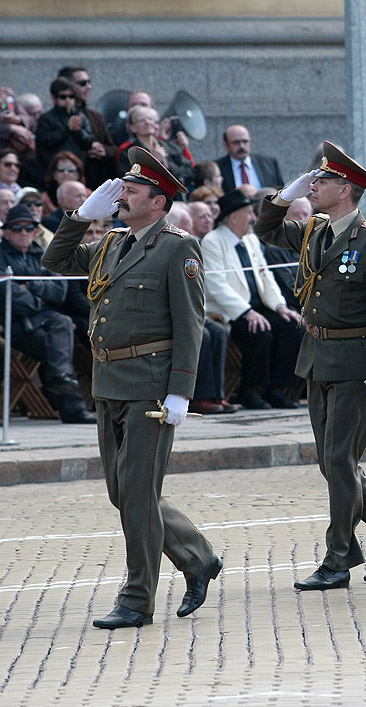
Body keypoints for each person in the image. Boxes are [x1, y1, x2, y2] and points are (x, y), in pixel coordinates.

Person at [42, 146, 222, 629]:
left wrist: (181, 389)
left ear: (158, 202)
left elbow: (191, 322)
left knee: (139, 493)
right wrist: (80, 216)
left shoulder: (177, 246)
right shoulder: (113, 243)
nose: (122, 195)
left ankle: (137, 597)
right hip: (109, 383)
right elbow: (54, 259)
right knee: (124, 492)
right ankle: (198, 557)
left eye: (133, 190)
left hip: (151, 385)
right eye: (122, 188)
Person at [254, 141, 366, 590]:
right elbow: (267, 228)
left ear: (346, 189)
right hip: (317, 357)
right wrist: (285, 196)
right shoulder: (314, 231)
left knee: (340, 460)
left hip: (358, 359)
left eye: (321, 181)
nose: (314, 187)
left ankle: (338, 559)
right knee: (331, 461)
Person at [202, 188, 304, 410]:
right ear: (235, 215)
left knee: (291, 325)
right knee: (259, 331)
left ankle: (277, 389)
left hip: (259, 306)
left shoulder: (251, 241)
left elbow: (265, 276)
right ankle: (249, 390)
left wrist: (280, 306)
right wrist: (246, 311)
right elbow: (216, 286)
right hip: (229, 311)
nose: (252, 218)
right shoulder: (212, 241)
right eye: (248, 212)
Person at [0, 204, 93, 424]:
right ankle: (73, 410)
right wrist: (40, 296)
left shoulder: (42, 253)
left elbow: (60, 292)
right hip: (13, 323)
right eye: (17, 228)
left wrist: (29, 287)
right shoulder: (1, 255)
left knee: (61, 324)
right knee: (58, 342)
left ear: (35, 231)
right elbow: (7, 294)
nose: (23, 232)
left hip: (43, 321)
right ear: (6, 231)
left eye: (28, 227)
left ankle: (64, 386)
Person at [216, 124, 284, 192]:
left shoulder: (269, 164)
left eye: (245, 141)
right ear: (226, 145)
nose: (241, 146)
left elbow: (280, 190)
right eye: (236, 142)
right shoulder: (217, 168)